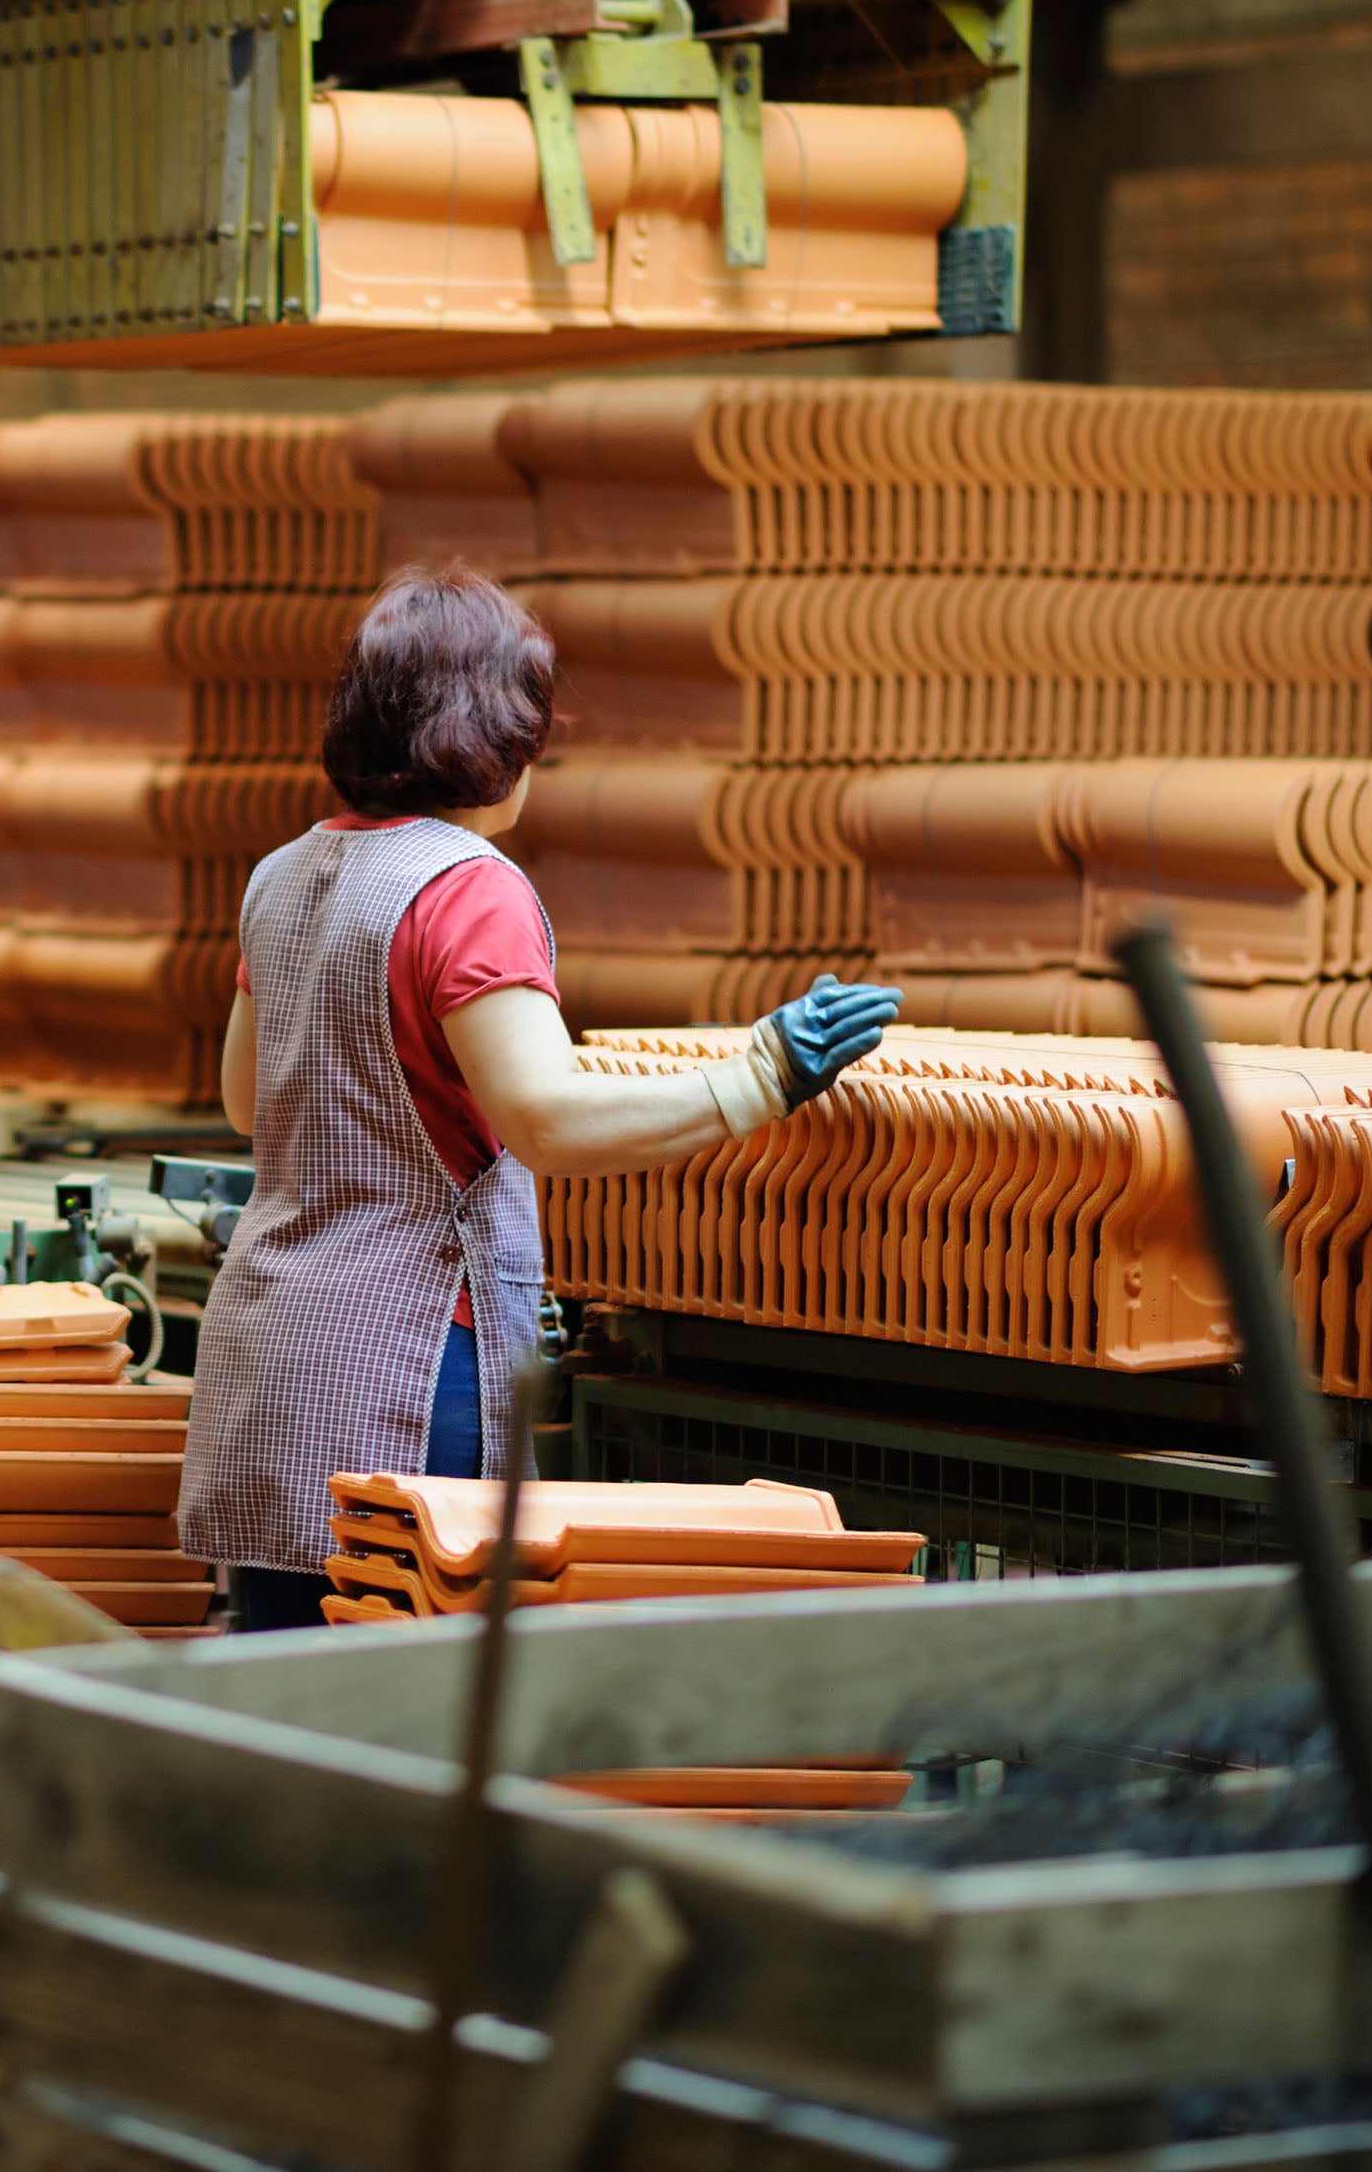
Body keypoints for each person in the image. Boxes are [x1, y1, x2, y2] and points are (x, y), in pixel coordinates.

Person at [179, 566, 901, 1632]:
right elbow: (545, 1117)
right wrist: (763, 1076)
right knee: (408, 1707)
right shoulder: (467, 887)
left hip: (268, 1353)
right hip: (409, 1360)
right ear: (490, 733)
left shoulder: (282, 875)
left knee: (285, 1709)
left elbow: (250, 1100)